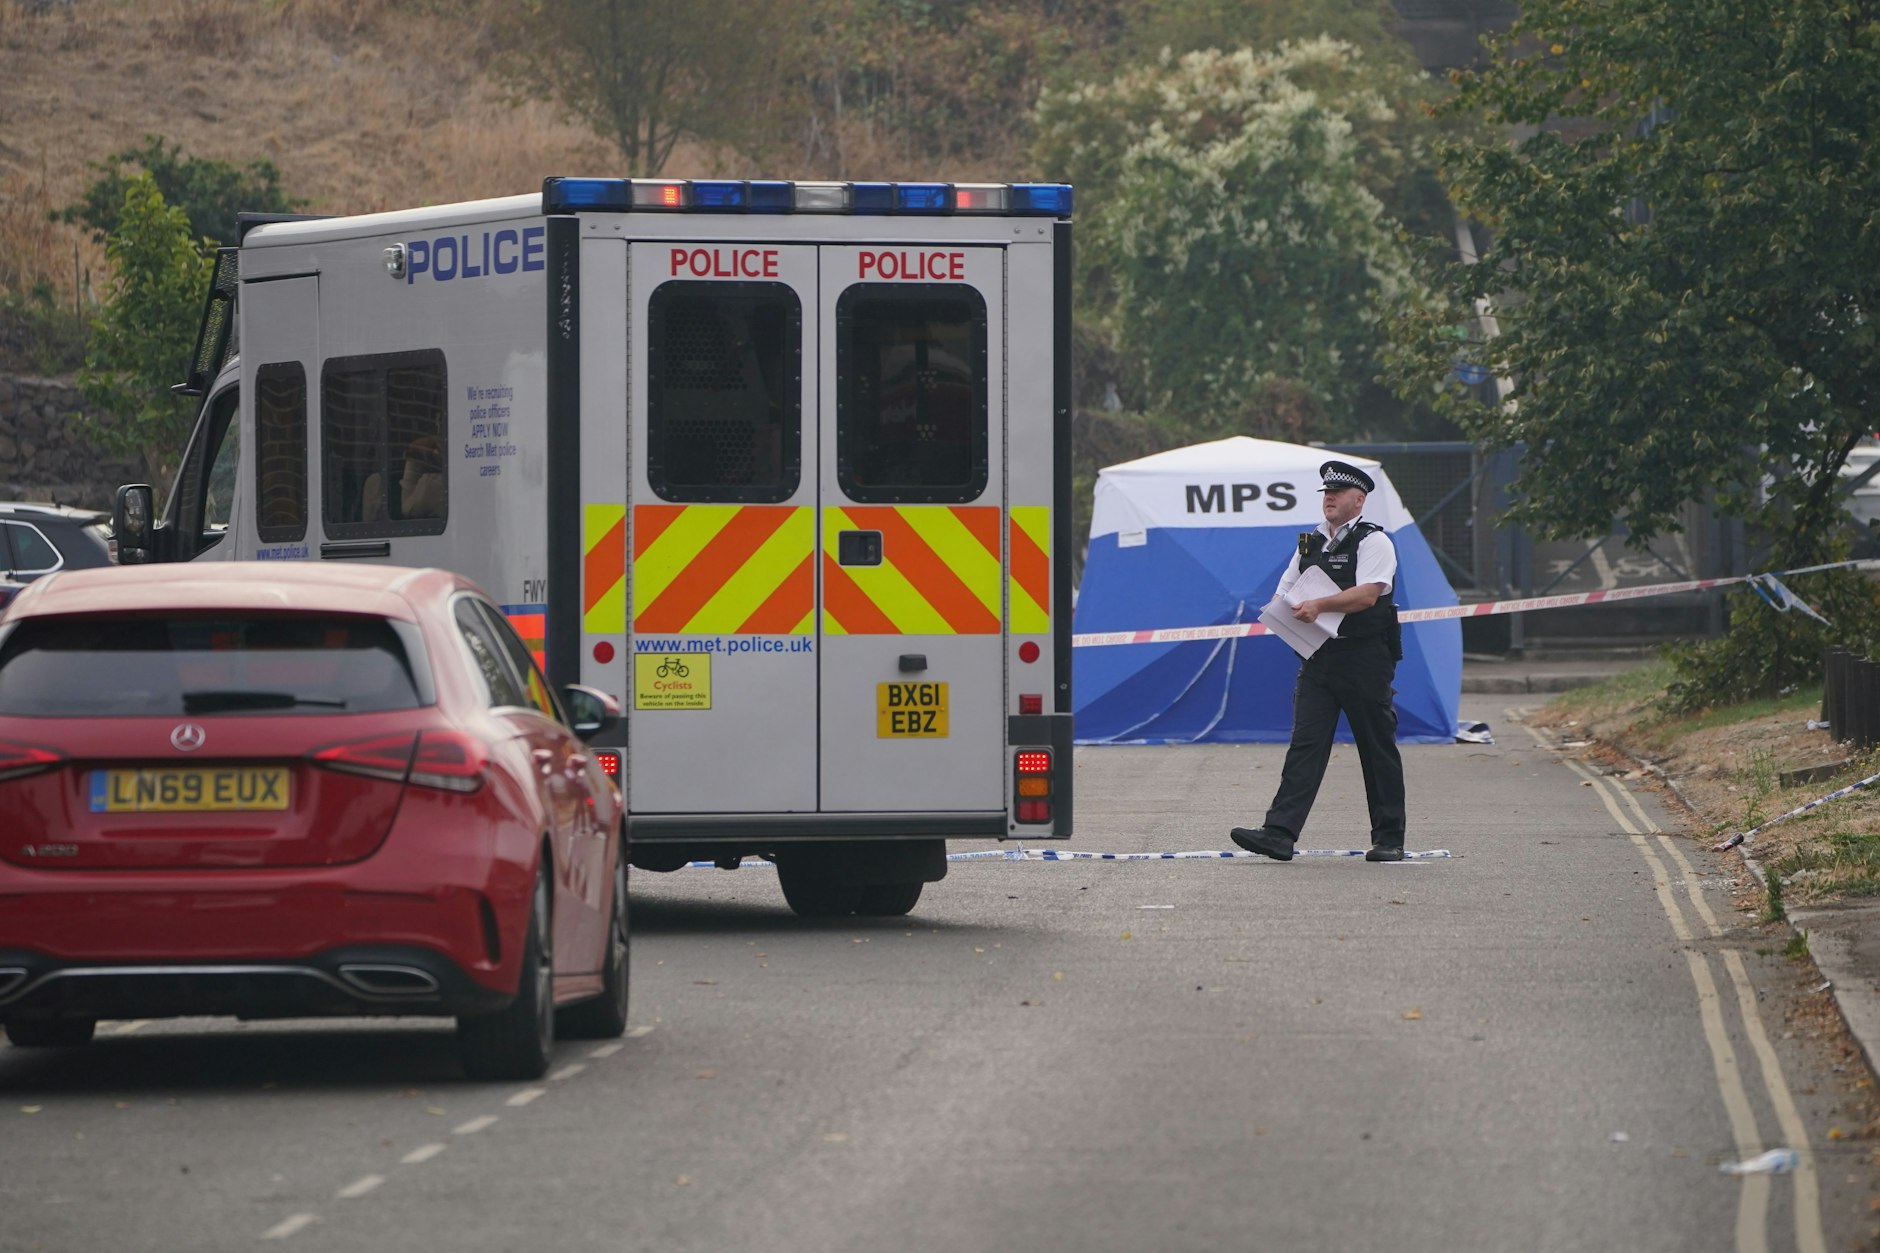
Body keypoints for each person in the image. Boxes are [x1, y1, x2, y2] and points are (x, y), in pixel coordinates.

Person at [1231, 460, 1407, 863]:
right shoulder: (1309, 542)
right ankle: (1279, 833)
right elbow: (1286, 589)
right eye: (1325, 492)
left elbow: (1367, 594)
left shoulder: (1373, 542)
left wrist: (1319, 604)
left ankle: (1389, 838)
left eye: (1337, 493)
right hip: (1319, 657)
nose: (1328, 498)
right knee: (1305, 745)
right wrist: (1280, 609)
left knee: (1375, 747)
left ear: (1358, 500)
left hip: (1364, 657)